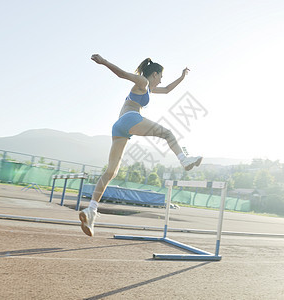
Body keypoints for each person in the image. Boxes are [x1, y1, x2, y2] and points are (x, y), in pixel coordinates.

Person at [79, 54, 203, 236]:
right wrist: (104, 62)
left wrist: (182, 77)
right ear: (154, 75)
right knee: (167, 133)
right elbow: (122, 74)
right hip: (130, 119)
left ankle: (91, 210)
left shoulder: (149, 89)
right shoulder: (143, 82)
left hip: (119, 128)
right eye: (160, 76)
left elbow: (168, 90)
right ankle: (183, 160)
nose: (161, 80)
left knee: (111, 172)